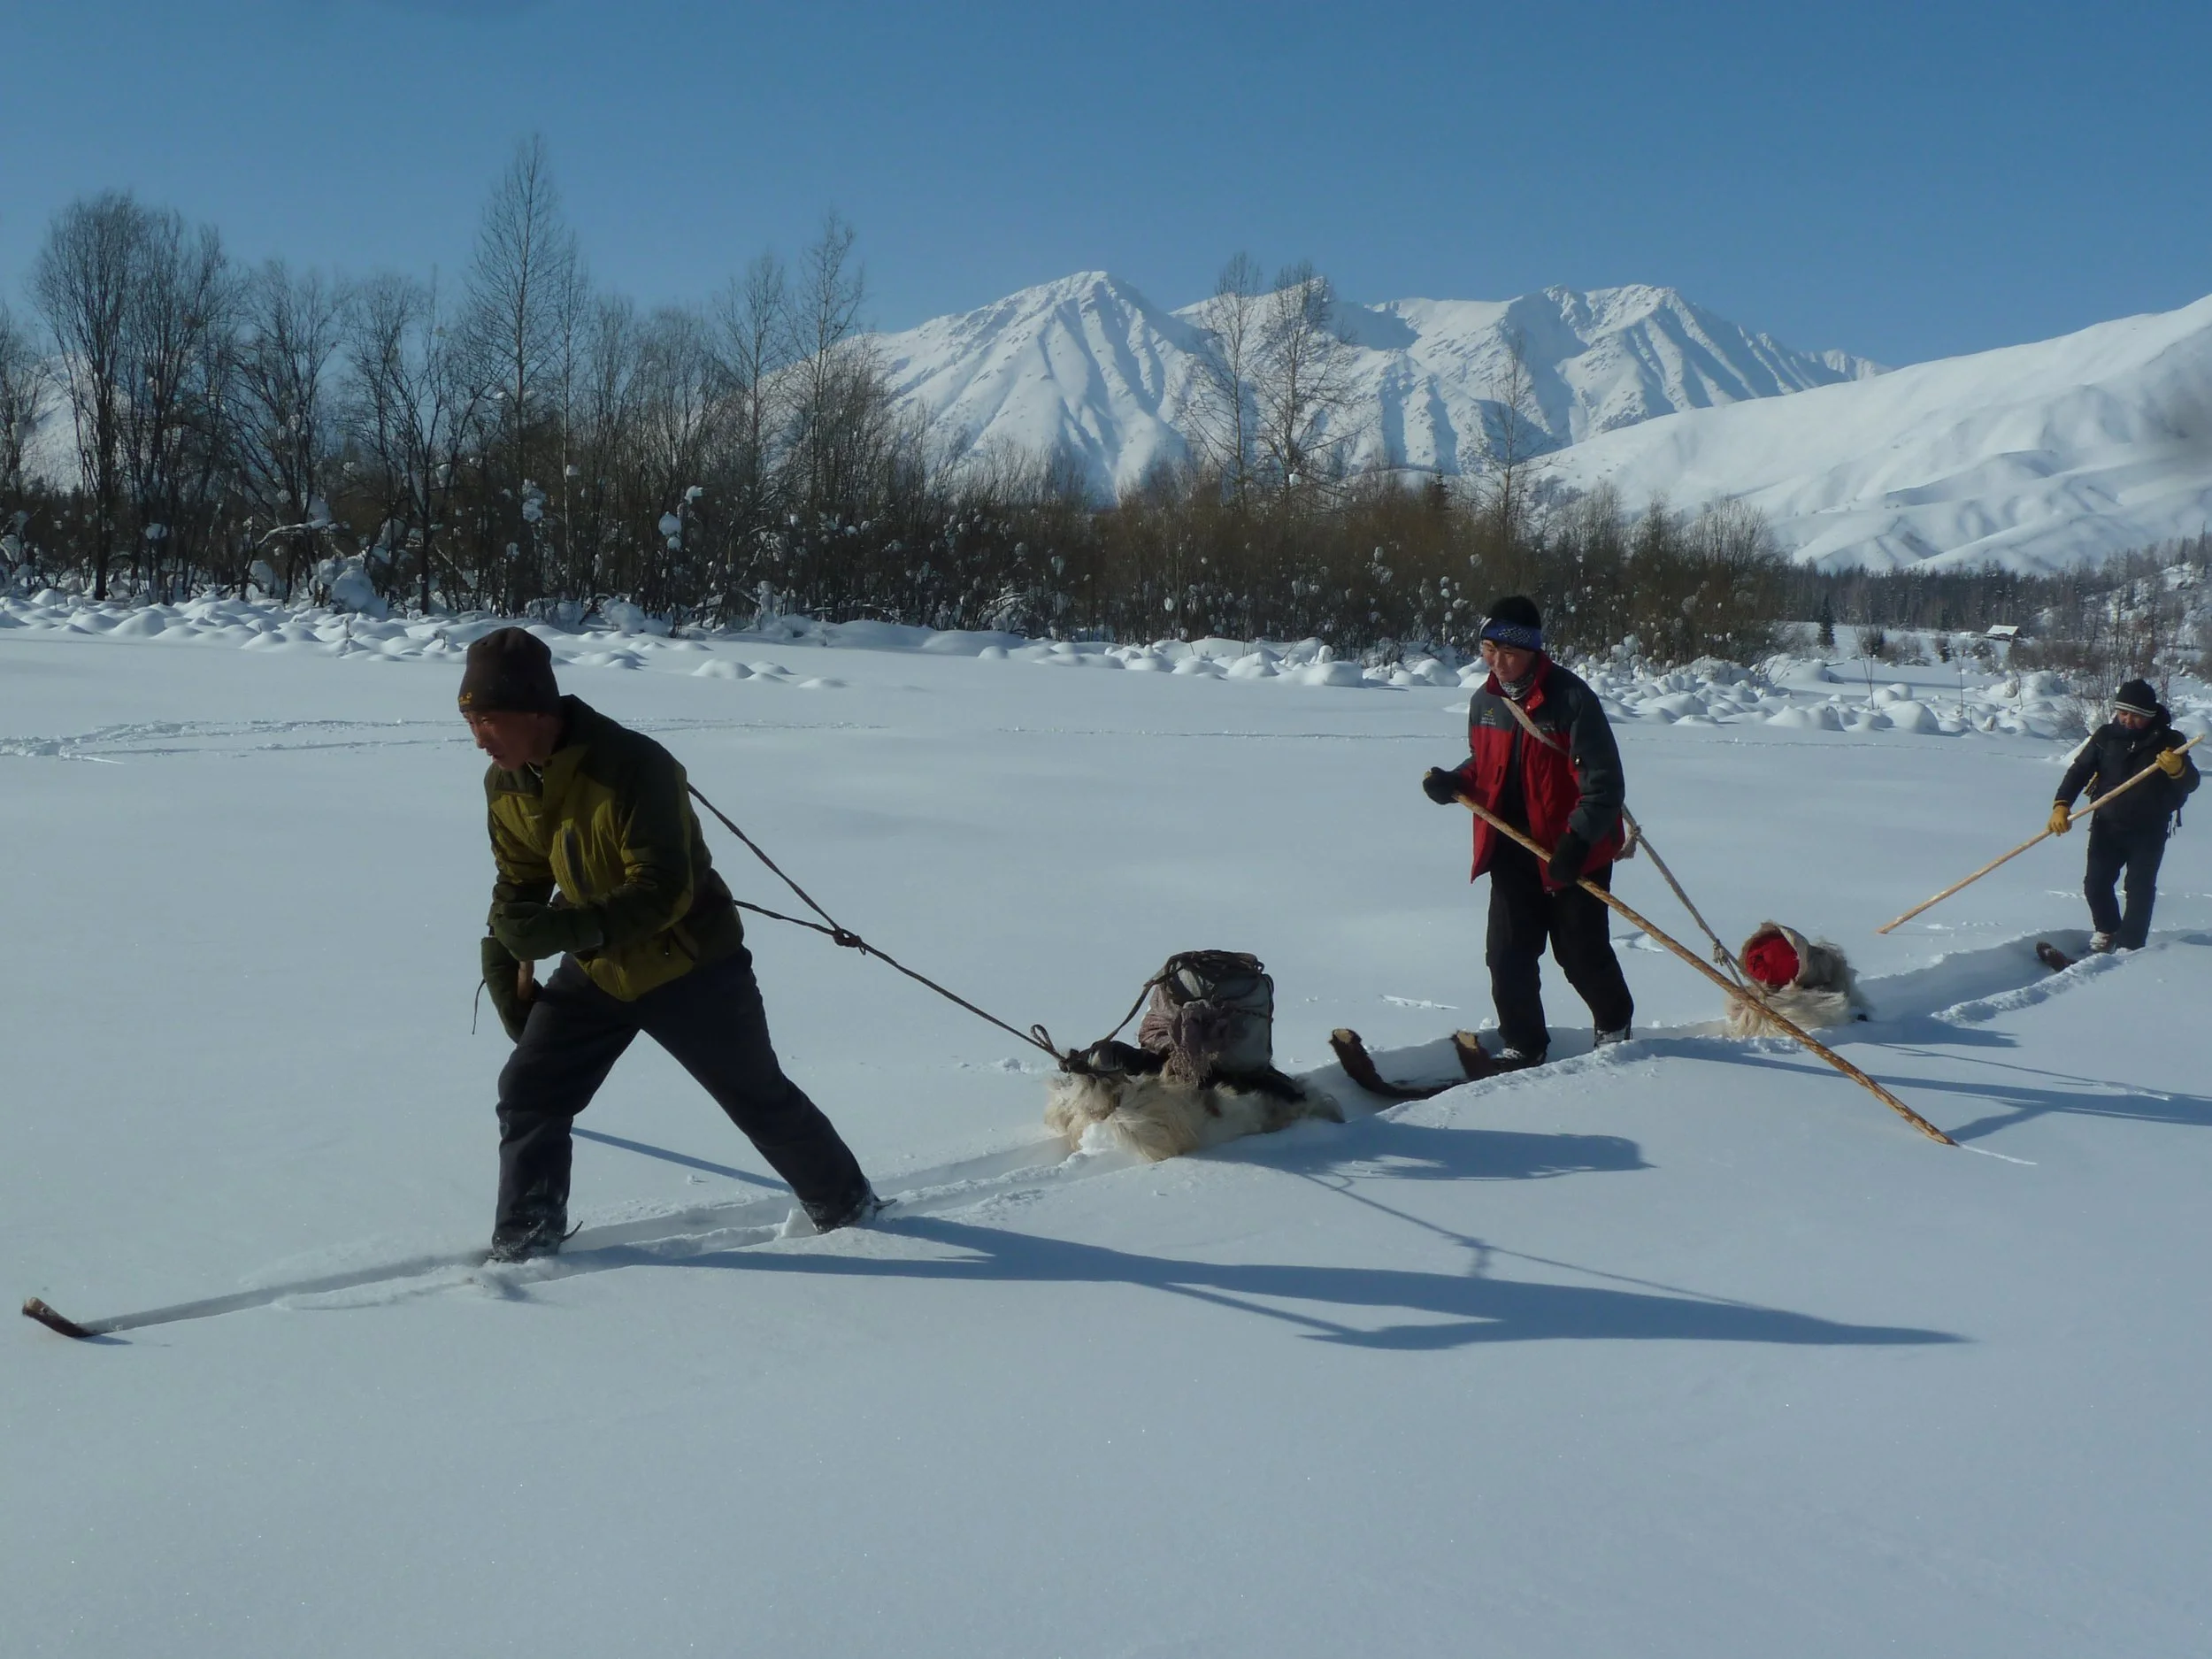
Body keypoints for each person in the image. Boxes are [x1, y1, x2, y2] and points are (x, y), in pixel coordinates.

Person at [460, 626, 876, 1262]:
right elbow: (520, 879)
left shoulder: (633, 766)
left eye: (488, 719)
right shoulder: (508, 783)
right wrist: (502, 944)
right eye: (470, 720)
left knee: (758, 1098)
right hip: (599, 967)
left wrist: (558, 930)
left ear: (535, 711)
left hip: (690, 965)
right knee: (530, 1091)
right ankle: (527, 1237)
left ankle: (848, 1205)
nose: (478, 737)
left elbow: (663, 892)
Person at [1421, 595, 1634, 1066]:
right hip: (1512, 851)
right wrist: (1457, 782)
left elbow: (1603, 785)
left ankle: (1615, 1025)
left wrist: (1576, 841)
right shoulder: (1485, 703)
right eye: (1488, 649)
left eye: (1509, 653)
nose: (1498, 662)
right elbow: (1489, 766)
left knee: (1580, 956)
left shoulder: (1573, 701)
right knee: (1507, 957)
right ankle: (1523, 1044)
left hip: (1572, 854)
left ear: (1535, 651)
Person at [2047, 677, 2199, 953]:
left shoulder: (2170, 741)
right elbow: (2079, 771)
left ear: (2150, 716)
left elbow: (2191, 783)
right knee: (2095, 884)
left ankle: (2130, 946)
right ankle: (2107, 931)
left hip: (2149, 829)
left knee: (2139, 888)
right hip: (2107, 824)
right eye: (2123, 713)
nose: (2128, 720)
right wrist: (2061, 804)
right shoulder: (2106, 736)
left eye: (2137, 716)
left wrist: (2177, 768)